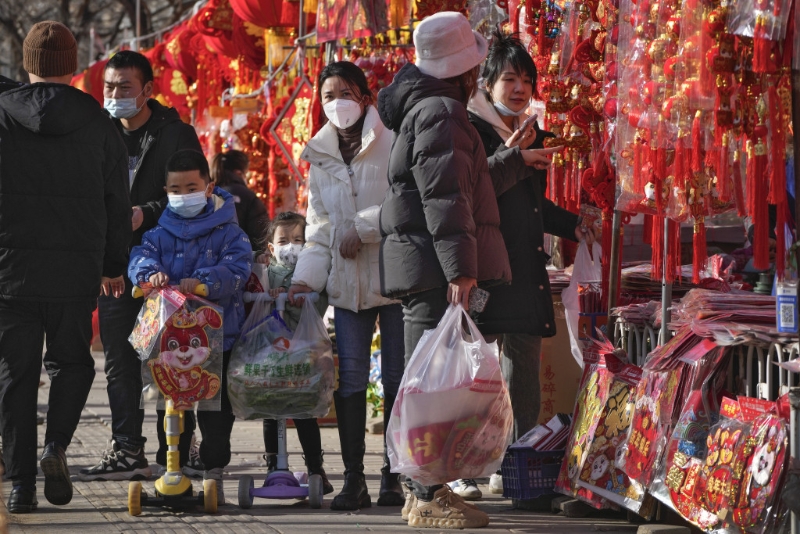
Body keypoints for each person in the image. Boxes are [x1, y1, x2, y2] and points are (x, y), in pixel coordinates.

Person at [377, 12, 512, 529]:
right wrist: (461, 271)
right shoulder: (442, 111)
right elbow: (445, 199)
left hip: (424, 267)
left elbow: (455, 190)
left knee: (428, 382)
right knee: (431, 388)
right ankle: (427, 496)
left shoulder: (426, 107)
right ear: (462, 70)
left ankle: (424, 492)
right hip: (435, 271)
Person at [0, 21, 131, 513]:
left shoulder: (2, 116)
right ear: (73, 67)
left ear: (28, 64)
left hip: (9, 267)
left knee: (15, 372)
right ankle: (56, 446)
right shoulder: (98, 122)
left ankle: (20, 484)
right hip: (77, 268)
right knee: (73, 362)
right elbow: (117, 200)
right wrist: (113, 263)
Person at [465, 30, 592, 498]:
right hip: (478, 266)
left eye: (526, 79)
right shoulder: (470, 129)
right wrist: (511, 156)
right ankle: (466, 465)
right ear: (487, 82)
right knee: (472, 370)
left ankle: (518, 462)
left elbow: (537, 205)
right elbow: (474, 193)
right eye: (510, 78)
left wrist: (577, 225)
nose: (520, 88)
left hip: (523, 267)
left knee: (523, 364)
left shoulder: (535, 131)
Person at [287, 61, 406, 510]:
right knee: (351, 378)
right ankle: (354, 478)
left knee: (397, 377)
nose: (336, 103)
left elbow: (406, 201)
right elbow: (319, 228)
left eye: (344, 93)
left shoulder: (393, 140)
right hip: (346, 285)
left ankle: (393, 476)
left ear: (365, 97)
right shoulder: (318, 154)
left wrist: (365, 227)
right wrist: (303, 280)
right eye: (327, 95)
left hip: (394, 278)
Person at [81, 50, 204, 482]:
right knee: (119, 359)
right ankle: (127, 448)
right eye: (109, 87)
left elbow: (193, 196)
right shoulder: (97, 132)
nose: (114, 95)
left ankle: (179, 448)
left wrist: (145, 212)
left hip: (168, 270)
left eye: (124, 87)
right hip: (116, 267)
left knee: (174, 360)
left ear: (148, 90)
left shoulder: (175, 133)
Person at [127, 149, 252, 504]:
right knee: (170, 408)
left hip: (217, 339)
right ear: (166, 191)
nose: (184, 195)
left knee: (214, 412)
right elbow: (141, 255)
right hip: (169, 340)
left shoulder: (229, 232)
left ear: (209, 186)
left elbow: (238, 267)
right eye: (176, 189)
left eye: (192, 187)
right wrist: (148, 273)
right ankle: (174, 468)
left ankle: (212, 469)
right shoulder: (158, 234)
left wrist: (203, 282)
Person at [257, 211, 333, 495]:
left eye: (298, 240)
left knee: (304, 412)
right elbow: (253, 299)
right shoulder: (266, 273)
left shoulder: (310, 274)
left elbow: (320, 302)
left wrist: (299, 298)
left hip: (302, 354)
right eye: (284, 240)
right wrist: (266, 292)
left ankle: (316, 468)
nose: (291, 246)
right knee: (271, 411)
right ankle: (273, 468)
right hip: (271, 355)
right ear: (272, 248)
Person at [210, 150, 269, 251]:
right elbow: (260, 235)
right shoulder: (248, 197)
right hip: (240, 260)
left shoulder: (208, 193)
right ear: (239, 173)